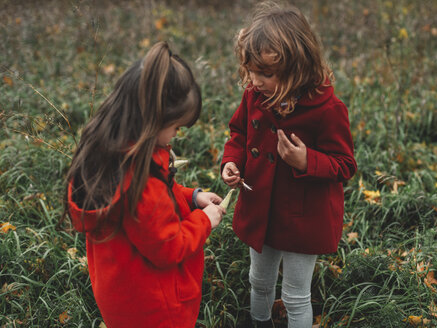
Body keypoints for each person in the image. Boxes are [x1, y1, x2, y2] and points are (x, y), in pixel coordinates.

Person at [63, 41, 225, 327]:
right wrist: (204, 220)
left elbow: (155, 208)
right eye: (175, 127)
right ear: (153, 119)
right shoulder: (142, 177)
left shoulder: (112, 154)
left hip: (121, 296)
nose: (175, 135)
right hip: (156, 306)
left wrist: (191, 197)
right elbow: (168, 245)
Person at [221, 2, 357, 327]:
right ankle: (260, 321)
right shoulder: (255, 96)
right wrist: (232, 161)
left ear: (297, 67)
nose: (254, 81)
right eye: (251, 71)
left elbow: (344, 164)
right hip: (260, 209)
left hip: (302, 217)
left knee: (296, 295)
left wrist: (307, 160)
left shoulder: (326, 109)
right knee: (259, 279)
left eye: (265, 74)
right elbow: (239, 132)